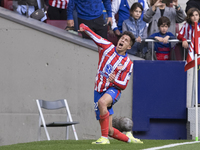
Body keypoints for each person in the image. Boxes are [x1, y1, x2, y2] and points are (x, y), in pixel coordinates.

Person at [79, 23, 143, 144]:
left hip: (113, 89)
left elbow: (123, 85)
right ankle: (130, 140)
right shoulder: (108, 47)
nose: (122, 40)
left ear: (129, 47)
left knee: (102, 102)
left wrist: (114, 81)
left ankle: (104, 139)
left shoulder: (128, 63)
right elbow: (96, 38)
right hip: (98, 89)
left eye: (126, 40)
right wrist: (85, 28)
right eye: (122, 38)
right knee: (108, 130)